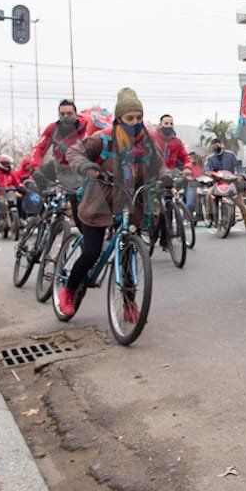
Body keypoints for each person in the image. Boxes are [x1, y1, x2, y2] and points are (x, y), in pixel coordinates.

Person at [60, 88, 165, 319]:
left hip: (130, 204)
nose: (135, 123)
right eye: (130, 118)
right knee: (91, 252)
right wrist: (88, 167)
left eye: (139, 118)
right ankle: (68, 290)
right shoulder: (103, 138)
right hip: (98, 203)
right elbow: (74, 152)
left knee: (128, 252)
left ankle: (129, 304)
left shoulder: (147, 141)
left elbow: (159, 165)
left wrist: (167, 177)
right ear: (119, 118)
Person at [28, 99, 88, 223]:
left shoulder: (87, 125)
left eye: (69, 113)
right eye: (62, 114)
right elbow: (39, 147)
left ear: (76, 114)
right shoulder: (52, 129)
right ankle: (45, 207)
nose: (65, 117)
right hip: (64, 169)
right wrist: (34, 165)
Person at [203, 139, 246, 228]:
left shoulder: (231, 155)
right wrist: (208, 172)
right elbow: (206, 168)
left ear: (222, 144)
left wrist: (239, 175)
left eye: (218, 143)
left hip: (231, 182)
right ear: (212, 146)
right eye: (214, 144)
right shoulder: (210, 158)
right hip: (217, 183)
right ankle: (209, 216)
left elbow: (238, 166)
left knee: (240, 203)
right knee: (209, 195)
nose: (216, 145)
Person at [0, 154, 24, 242]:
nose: (7, 166)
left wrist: (22, 187)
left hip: (10, 194)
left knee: (21, 200)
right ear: (0, 164)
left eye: (8, 164)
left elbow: (17, 183)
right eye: (5, 164)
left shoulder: (11, 174)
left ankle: (21, 219)